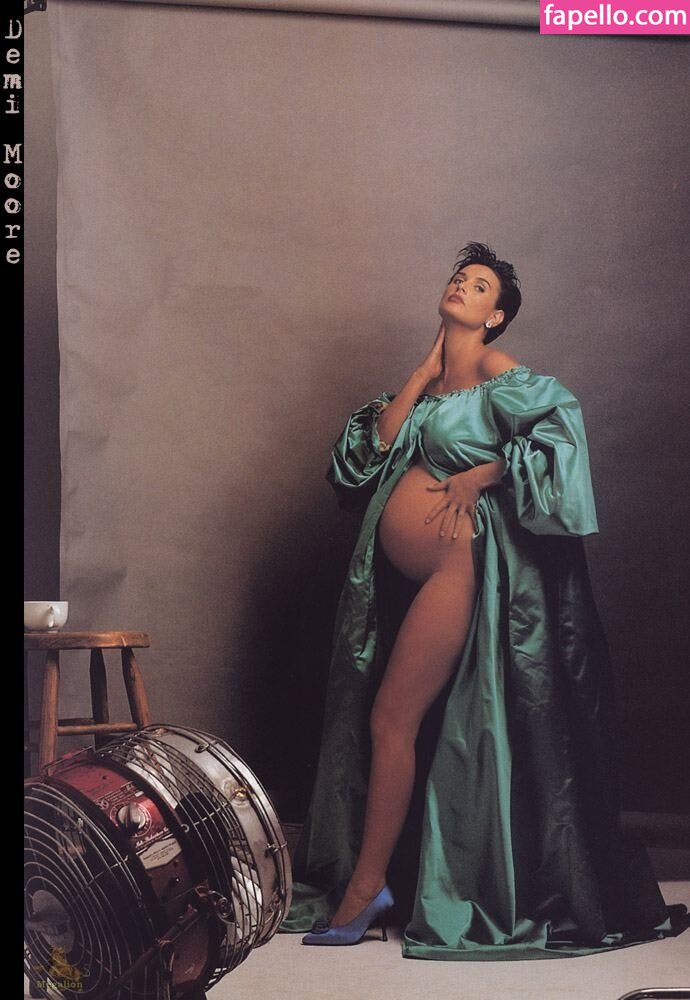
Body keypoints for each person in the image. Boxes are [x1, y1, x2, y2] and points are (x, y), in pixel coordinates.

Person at [278, 243, 688, 958]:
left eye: (479, 286)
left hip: (459, 567)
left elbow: (561, 434)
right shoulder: (433, 382)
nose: (463, 287)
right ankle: (377, 882)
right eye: (459, 278)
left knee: (393, 719)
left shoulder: (497, 369)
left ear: (494, 315)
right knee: (393, 724)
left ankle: (365, 890)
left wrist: (485, 474)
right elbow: (363, 463)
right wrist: (420, 373)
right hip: (401, 575)